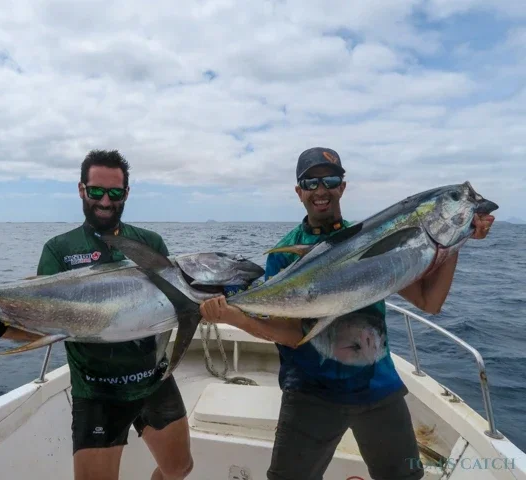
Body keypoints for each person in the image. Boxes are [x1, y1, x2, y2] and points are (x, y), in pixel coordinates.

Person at [199, 147, 495, 480]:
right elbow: (293, 335)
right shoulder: (284, 255)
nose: (320, 189)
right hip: (310, 392)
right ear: (299, 192)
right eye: (310, 183)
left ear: (342, 186)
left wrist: (458, 238)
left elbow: (430, 302)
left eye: (329, 180)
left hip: (378, 387)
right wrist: (233, 316)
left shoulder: (377, 236)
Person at [0, 150, 194, 480]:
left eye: (114, 192)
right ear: (82, 189)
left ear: (126, 193)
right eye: (96, 190)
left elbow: (172, 306)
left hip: (154, 380)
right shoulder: (59, 249)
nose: (105, 201)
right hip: (98, 392)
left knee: (180, 468)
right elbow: (44, 326)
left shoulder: (150, 243)